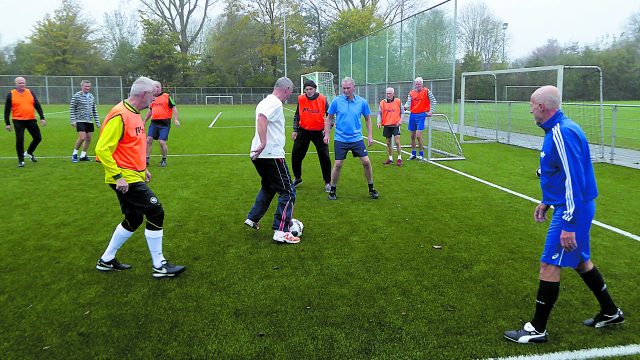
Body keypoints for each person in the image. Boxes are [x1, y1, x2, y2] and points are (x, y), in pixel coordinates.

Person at [504, 85, 624, 344]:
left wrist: (568, 223)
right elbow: (557, 174)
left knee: (549, 263)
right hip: (570, 206)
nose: (530, 109)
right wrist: (547, 201)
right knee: (580, 261)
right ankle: (611, 312)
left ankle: (537, 329)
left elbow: (573, 180)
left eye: (531, 105)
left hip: (573, 210)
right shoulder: (556, 130)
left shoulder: (562, 132)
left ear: (542, 107)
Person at [94, 76, 186, 278]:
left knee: (134, 218)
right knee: (156, 211)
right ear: (143, 94)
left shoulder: (135, 113)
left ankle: (106, 260)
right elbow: (102, 149)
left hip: (133, 174)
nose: (154, 101)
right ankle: (159, 265)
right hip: (124, 178)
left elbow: (131, 146)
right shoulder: (120, 114)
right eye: (152, 96)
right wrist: (118, 176)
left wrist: (143, 168)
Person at [244, 77, 300, 244]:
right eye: (290, 92)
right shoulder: (274, 102)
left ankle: (253, 218)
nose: (289, 96)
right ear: (286, 89)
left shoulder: (266, 100)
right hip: (271, 155)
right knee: (288, 192)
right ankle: (281, 231)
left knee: (269, 186)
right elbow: (262, 118)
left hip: (260, 155)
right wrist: (263, 142)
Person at [323, 77, 378, 200]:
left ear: (354, 87)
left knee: (366, 162)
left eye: (348, 88)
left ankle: (371, 188)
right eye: (344, 88)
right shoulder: (336, 101)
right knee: (338, 164)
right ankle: (333, 190)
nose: (346, 90)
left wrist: (370, 136)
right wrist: (327, 134)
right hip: (340, 139)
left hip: (356, 139)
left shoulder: (362, 102)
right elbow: (329, 117)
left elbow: (368, 119)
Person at [291, 80, 332, 192]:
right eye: (307, 89)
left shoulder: (323, 99)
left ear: (315, 89)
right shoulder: (301, 99)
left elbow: (330, 116)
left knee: (324, 157)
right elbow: (297, 114)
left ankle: (328, 182)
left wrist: (328, 130)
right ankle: (297, 178)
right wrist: (295, 129)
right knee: (296, 155)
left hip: (319, 132)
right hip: (303, 131)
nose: (308, 91)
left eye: (311, 89)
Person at [4, 76, 46, 167]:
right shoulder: (11, 94)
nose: (22, 84)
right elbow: (7, 110)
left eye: (23, 83)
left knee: (38, 138)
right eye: (20, 83)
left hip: (31, 119)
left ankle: (29, 152)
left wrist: (42, 117)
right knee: (20, 140)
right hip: (18, 121)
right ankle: (21, 160)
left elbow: (37, 105)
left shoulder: (30, 92)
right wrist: (7, 123)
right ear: (16, 84)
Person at [144, 81, 180, 167]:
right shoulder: (152, 98)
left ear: (160, 88)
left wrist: (175, 119)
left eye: (157, 87)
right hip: (154, 123)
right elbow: (150, 110)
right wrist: (145, 120)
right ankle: (146, 159)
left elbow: (174, 107)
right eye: (154, 87)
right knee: (148, 140)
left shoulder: (167, 96)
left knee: (161, 142)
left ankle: (164, 159)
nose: (156, 89)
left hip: (164, 124)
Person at [404, 77, 436, 161]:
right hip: (412, 115)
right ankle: (413, 153)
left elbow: (433, 101)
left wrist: (431, 111)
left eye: (419, 84)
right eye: (416, 84)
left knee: (418, 135)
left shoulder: (426, 91)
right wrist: (405, 107)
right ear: (415, 84)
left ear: (422, 84)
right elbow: (408, 102)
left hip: (421, 115)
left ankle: (421, 154)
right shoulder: (411, 93)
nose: (418, 85)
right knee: (412, 136)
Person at [69, 80, 100, 162]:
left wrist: (97, 121)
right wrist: (72, 120)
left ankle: (83, 156)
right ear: (82, 87)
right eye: (86, 86)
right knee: (82, 137)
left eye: (89, 86)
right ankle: (74, 154)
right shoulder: (76, 96)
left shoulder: (91, 96)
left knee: (88, 139)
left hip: (89, 121)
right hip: (80, 120)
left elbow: (94, 110)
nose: (87, 88)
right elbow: (72, 108)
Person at [377, 87, 403, 166]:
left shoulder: (398, 101)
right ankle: (390, 158)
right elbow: (379, 113)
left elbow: (402, 112)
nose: (388, 95)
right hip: (387, 125)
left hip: (395, 125)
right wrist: (378, 122)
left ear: (393, 94)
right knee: (388, 143)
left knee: (397, 142)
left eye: (390, 93)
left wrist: (401, 120)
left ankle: (399, 158)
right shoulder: (382, 102)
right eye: (387, 93)